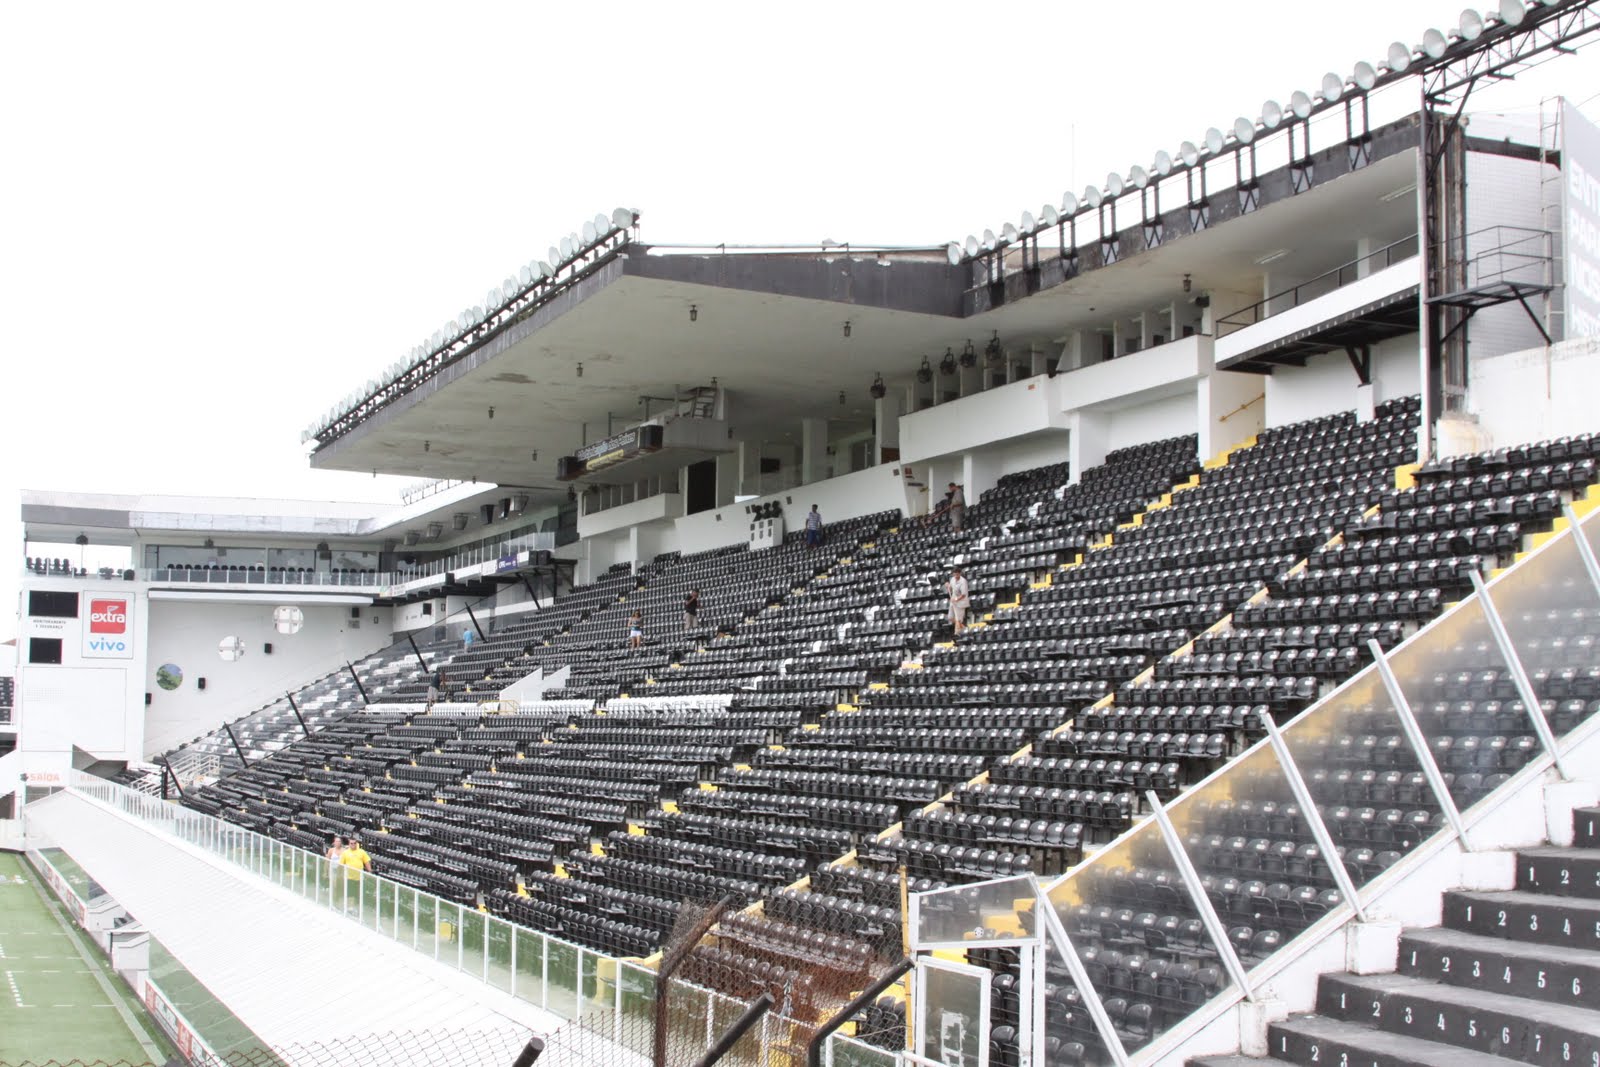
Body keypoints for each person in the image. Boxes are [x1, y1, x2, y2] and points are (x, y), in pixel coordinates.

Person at [945, 565, 971, 635]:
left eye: (957, 573)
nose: (956, 575)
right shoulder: (952, 579)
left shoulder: (963, 581)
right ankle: (965, 629)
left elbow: (964, 595)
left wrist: (956, 599)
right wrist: (947, 586)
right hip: (953, 601)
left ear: (960, 573)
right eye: (955, 573)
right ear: (953, 574)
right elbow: (950, 588)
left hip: (961, 602)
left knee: (958, 619)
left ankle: (957, 633)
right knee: (950, 617)